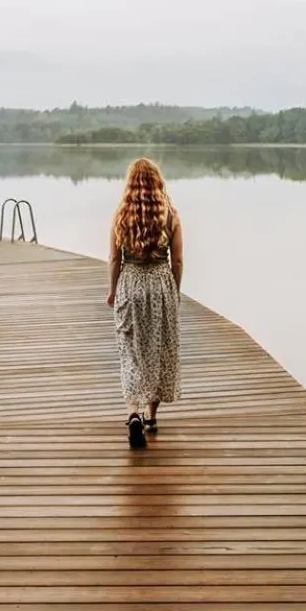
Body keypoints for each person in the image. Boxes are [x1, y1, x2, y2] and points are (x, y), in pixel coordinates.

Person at [106, 158, 183, 449]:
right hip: (160, 284)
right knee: (158, 349)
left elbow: (115, 259)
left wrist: (113, 290)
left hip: (131, 283)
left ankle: (133, 412)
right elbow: (177, 260)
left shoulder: (121, 214)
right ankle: (151, 416)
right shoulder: (170, 214)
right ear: (157, 181)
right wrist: (175, 290)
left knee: (130, 350)